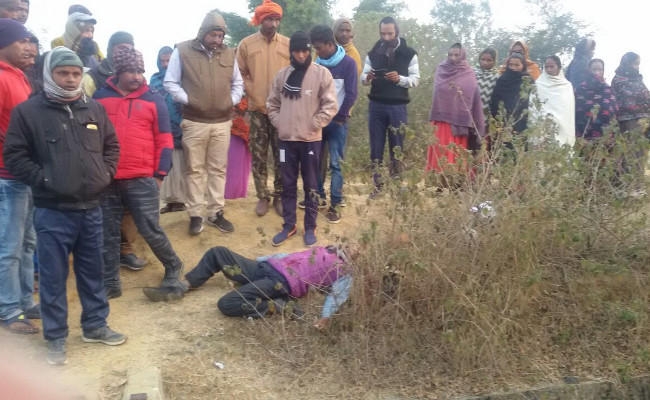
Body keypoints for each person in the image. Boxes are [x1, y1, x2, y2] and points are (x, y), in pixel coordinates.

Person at [4, 46, 126, 366]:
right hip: (52, 211)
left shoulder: (94, 109)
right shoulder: (28, 112)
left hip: (92, 208)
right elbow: (15, 155)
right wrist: (45, 180)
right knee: (53, 277)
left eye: (75, 73)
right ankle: (56, 337)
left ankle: (95, 325)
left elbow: (112, 146)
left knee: (93, 272)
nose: (71, 79)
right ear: (49, 74)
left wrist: (105, 174)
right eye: (63, 73)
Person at [93, 47, 184, 300]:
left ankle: (173, 266)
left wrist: (160, 174)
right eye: (131, 71)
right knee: (108, 232)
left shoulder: (154, 98)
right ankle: (110, 283)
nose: (137, 76)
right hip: (108, 178)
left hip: (142, 177)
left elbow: (165, 139)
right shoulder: (100, 97)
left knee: (149, 228)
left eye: (140, 71)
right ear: (118, 71)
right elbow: (92, 137)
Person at [142, 245, 352, 330]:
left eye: (361, 246)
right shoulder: (327, 249)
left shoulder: (346, 272)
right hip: (265, 268)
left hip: (280, 283)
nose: (356, 246)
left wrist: (325, 318)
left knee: (227, 304)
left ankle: (277, 305)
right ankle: (181, 287)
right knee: (218, 253)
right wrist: (259, 260)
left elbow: (337, 296)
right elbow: (290, 256)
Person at [164, 10, 243, 236]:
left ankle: (215, 212)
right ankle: (195, 215)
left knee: (218, 168)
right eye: (213, 35)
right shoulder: (183, 51)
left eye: (220, 36)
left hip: (222, 122)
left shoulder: (229, 54)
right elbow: (170, 82)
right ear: (203, 33)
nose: (217, 40)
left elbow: (238, 83)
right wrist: (190, 100)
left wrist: (230, 101)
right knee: (195, 169)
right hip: (194, 121)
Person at [81, 31, 145, 271]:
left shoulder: (138, 80)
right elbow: (82, 110)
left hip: (130, 154)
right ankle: (102, 254)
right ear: (109, 50)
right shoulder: (93, 77)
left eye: (129, 48)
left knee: (129, 206)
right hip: (100, 151)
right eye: (119, 48)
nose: (124, 52)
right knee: (102, 205)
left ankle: (125, 250)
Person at [267, 31, 337, 247]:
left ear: (310, 51)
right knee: (287, 184)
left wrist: (315, 123)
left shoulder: (321, 74)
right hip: (286, 140)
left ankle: (310, 226)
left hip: (310, 140)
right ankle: (289, 225)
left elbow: (330, 105)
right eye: (296, 51)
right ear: (291, 52)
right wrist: (281, 123)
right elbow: (272, 104)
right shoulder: (282, 75)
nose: (300, 55)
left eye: (305, 51)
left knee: (311, 185)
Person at [0, 18, 39, 335]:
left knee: (27, 244)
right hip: (6, 175)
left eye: (30, 41)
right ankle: (9, 309)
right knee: (9, 246)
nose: (29, 47)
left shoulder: (19, 77)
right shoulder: (1, 78)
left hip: (24, 174)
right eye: (21, 41)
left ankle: (26, 301)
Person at [237, 0, 290, 217]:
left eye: (277, 19)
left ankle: (280, 195)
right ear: (260, 19)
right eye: (269, 19)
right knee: (258, 155)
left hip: (282, 110)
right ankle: (262, 196)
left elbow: (296, 72)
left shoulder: (287, 44)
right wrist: (250, 91)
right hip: (257, 109)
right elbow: (238, 74)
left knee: (282, 155)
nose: (273, 24)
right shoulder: (246, 45)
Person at [360, 16, 420, 197]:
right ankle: (377, 186)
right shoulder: (373, 52)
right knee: (376, 147)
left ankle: (396, 186)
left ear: (397, 32)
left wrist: (399, 79)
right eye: (383, 34)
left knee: (397, 147)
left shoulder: (409, 53)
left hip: (397, 106)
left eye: (390, 34)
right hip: (376, 105)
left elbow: (415, 80)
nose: (386, 37)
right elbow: (363, 78)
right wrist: (368, 77)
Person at [310, 25, 358, 224]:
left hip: (338, 123)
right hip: (318, 123)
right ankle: (318, 197)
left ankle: (335, 204)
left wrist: (340, 117)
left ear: (330, 44)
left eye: (319, 48)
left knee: (336, 164)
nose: (317, 52)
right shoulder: (316, 65)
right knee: (316, 161)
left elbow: (352, 94)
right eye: (315, 48)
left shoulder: (348, 63)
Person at [426, 43, 484, 179]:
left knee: (455, 156)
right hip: (441, 122)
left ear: (462, 55)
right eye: (450, 54)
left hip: (459, 124)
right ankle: (437, 182)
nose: (453, 58)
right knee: (440, 153)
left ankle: (454, 182)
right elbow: (438, 93)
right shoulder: (441, 69)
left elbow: (473, 97)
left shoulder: (468, 73)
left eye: (456, 55)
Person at [151, 46, 186, 214]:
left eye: (169, 61)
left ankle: (180, 200)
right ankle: (169, 201)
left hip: (179, 126)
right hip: (160, 129)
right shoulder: (154, 80)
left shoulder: (183, 80)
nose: (165, 64)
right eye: (162, 61)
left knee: (179, 164)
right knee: (164, 164)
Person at [611, 52, 650, 190]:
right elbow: (627, 98)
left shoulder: (638, 79)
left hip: (643, 120)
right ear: (627, 63)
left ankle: (638, 187)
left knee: (641, 153)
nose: (636, 67)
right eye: (634, 63)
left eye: (638, 64)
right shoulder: (618, 80)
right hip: (628, 121)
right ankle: (628, 188)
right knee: (630, 154)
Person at [490, 52, 534, 149]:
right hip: (502, 121)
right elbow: (495, 101)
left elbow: (531, 102)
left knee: (518, 149)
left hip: (521, 121)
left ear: (523, 65)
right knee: (502, 150)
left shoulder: (528, 81)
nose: (513, 68)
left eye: (517, 65)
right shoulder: (502, 80)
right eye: (511, 65)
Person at [530, 55, 575, 147]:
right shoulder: (538, 84)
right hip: (542, 125)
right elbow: (533, 107)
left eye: (552, 66)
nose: (549, 69)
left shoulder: (566, 86)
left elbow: (568, 111)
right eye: (546, 67)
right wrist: (545, 119)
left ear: (559, 68)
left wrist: (556, 120)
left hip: (562, 127)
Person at [574, 59, 617, 141]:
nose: (597, 72)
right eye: (594, 69)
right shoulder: (580, 89)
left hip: (605, 135)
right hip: (584, 133)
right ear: (589, 70)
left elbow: (614, 110)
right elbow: (576, 110)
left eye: (600, 69)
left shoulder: (608, 89)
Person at [82, 31, 133, 96]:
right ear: (111, 49)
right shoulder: (93, 77)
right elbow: (81, 100)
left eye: (130, 49)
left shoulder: (136, 78)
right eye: (122, 48)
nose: (126, 52)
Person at [225, 96, 252, 199]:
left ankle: (239, 192)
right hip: (234, 127)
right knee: (234, 161)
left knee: (244, 161)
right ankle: (231, 192)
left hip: (249, 126)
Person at [474, 48, 499, 118]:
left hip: (486, 114)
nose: (485, 62)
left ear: (494, 61)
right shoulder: (471, 73)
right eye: (483, 59)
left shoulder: (496, 76)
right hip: (469, 110)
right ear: (479, 59)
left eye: (489, 60)